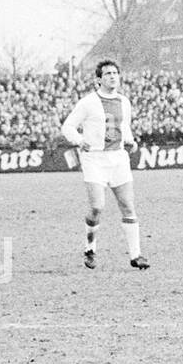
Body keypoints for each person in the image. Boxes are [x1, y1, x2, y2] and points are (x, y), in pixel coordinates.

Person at [60, 60, 149, 270]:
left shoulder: (124, 102)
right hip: (95, 159)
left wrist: (131, 140)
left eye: (115, 73)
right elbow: (68, 126)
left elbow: (124, 126)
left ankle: (136, 255)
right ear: (98, 79)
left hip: (118, 158)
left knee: (128, 206)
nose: (112, 76)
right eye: (108, 73)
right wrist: (79, 140)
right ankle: (90, 247)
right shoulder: (88, 102)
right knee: (97, 207)